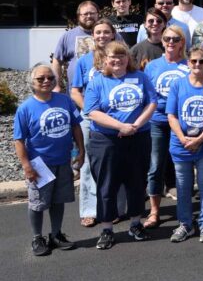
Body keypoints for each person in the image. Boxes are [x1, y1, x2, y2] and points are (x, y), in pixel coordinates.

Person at [83, 42, 158, 249]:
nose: (117, 60)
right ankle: (107, 228)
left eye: (122, 56)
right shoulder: (98, 82)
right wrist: (121, 126)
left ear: (128, 58)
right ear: (105, 59)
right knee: (107, 185)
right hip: (106, 140)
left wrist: (135, 125)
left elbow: (152, 102)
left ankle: (135, 224)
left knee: (136, 181)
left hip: (138, 136)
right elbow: (92, 112)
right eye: (113, 57)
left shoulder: (141, 78)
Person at [14, 63, 83, 256]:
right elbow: (19, 140)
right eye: (41, 78)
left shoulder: (65, 101)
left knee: (58, 200)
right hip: (40, 165)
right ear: (32, 82)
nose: (46, 81)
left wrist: (81, 150)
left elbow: (76, 126)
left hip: (63, 160)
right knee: (37, 203)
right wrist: (26, 165)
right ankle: (37, 237)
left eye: (50, 78)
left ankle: (56, 234)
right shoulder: (25, 108)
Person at [165, 45, 203, 243]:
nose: (197, 64)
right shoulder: (177, 85)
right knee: (183, 186)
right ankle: (185, 224)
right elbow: (171, 115)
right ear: (188, 62)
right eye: (193, 61)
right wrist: (183, 138)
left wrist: (200, 139)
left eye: (201, 61)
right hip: (180, 145)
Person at [69, 18, 117, 228]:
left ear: (113, 35)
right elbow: (75, 91)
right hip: (90, 121)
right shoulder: (84, 61)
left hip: (116, 119)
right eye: (98, 32)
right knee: (88, 165)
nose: (102, 36)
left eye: (106, 32)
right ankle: (89, 210)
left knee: (115, 164)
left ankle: (113, 208)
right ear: (92, 36)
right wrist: (90, 111)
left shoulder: (120, 58)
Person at [142, 24, 189, 229]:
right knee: (155, 167)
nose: (171, 42)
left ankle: (184, 210)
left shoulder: (189, 65)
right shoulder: (152, 66)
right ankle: (154, 211)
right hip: (157, 121)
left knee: (182, 167)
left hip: (181, 122)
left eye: (175, 39)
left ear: (182, 43)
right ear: (162, 41)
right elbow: (147, 94)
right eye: (167, 39)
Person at [51, 0, 100, 90]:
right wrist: (56, 85)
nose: (89, 16)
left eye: (92, 13)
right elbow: (57, 61)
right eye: (85, 14)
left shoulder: (110, 34)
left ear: (98, 14)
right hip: (76, 92)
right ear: (78, 16)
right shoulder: (68, 36)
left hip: (104, 91)